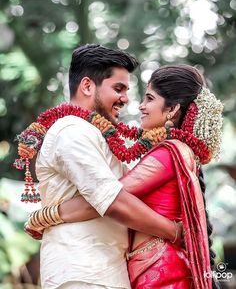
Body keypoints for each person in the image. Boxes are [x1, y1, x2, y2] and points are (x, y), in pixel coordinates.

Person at [25, 65, 223, 288]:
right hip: (155, 264)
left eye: (149, 99)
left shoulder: (167, 153)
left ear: (172, 109)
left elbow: (107, 199)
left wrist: (45, 216)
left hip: (160, 268)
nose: (141, 105)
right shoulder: (176, 151)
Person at [15, 44, 180, 289]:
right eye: (118, 88)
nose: (125, 99)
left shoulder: (96, 133)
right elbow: (113, 201)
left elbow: (130, 189)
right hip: (81, 271)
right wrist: (176, 232)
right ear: (87, 86)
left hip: (104, 270)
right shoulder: (71, 130)